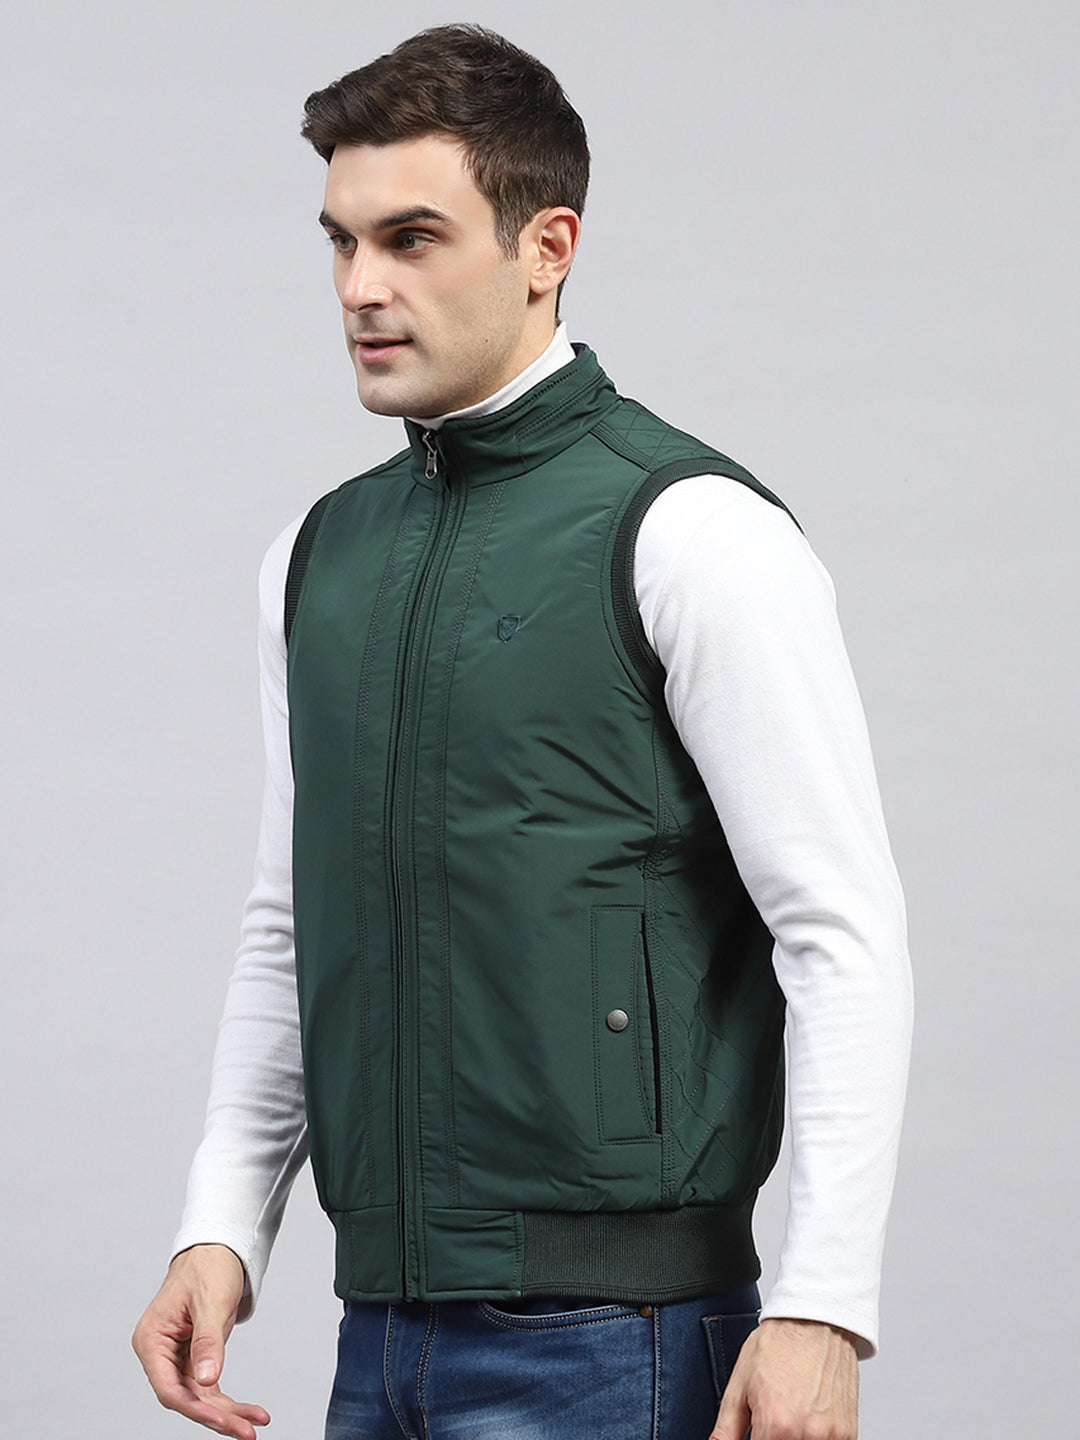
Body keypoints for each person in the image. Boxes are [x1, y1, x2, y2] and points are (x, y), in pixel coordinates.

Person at [133, 24, 912, 1440]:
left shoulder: (691, 531)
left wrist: (822, 1305)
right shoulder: (318, 555)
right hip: (379, 1339)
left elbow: (840, 930)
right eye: (341, 241)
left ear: (546, 247)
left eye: (411, 239)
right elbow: (290, 920)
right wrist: (222, 1222)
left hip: (624, 1343)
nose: (360, 288)